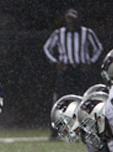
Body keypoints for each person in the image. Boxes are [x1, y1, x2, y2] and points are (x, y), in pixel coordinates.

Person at [43, 8, 103, 139]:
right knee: (60, 100)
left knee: (85, 98)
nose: (70, 22)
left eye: (73, 19)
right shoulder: (59, 33)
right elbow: (47, 48)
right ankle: (56, 130)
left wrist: (90, 62)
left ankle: (86, 129)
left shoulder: (87, 33)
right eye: (68, 19)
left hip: (81, 69)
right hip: (66, 70)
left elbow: (98, 47)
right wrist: (55, 62)